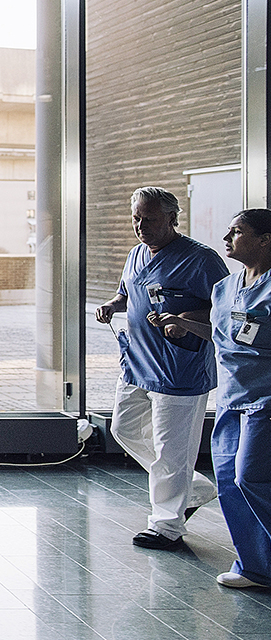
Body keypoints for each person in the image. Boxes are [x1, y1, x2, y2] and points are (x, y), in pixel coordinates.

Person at [94, 186, 228, 549]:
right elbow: (128, 293)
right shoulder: (136, 254)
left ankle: (167, 525)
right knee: (123, 429)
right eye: (136, 218)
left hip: (179, 366)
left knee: (172, 449)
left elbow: (227, 311)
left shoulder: (202, 260)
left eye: (149, 219)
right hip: (137, 361)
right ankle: (194, 488)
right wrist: (112, 305)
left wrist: (183, 318)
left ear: (172, 218)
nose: (141, 226)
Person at [150, 208, 271, 588]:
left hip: (266, 398)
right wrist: (185, 324)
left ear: (265, 240)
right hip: (233, 397)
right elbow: (223, 336)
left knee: (252, 477)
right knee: (230, 483)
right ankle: (256, 566)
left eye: (237, 232)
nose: (226, 238)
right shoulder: (226, 288)